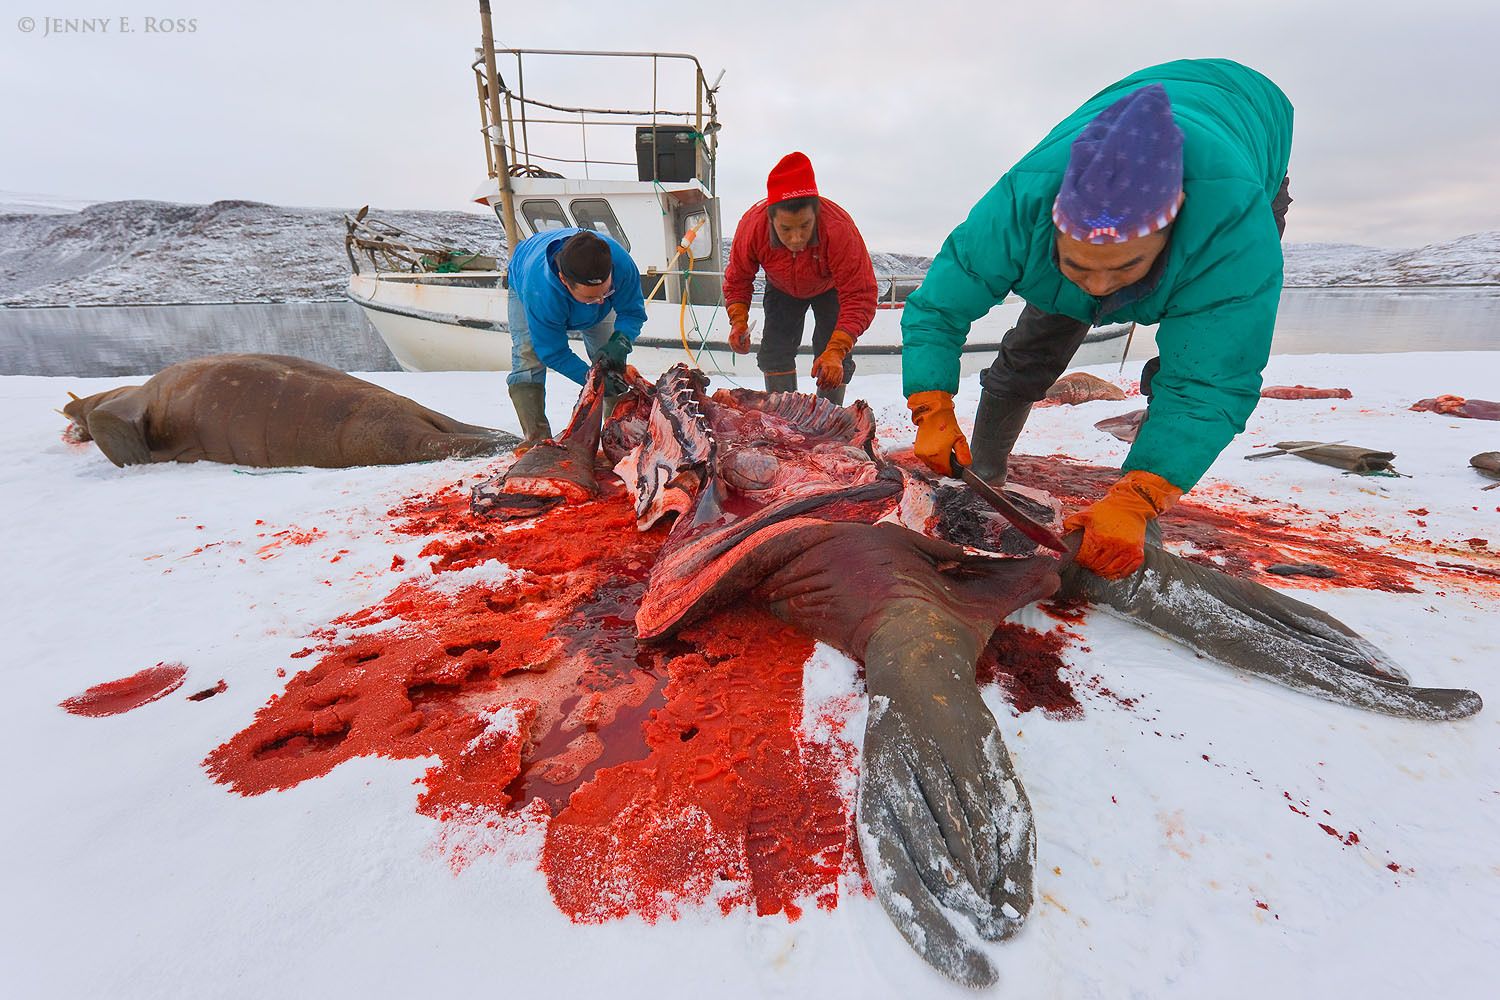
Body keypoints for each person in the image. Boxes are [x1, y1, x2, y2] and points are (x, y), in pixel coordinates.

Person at [902, 59, 1293, 579]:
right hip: (1102, 179)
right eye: (1079, 266)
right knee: (1038, 340)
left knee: (1191, 363)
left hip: (1251, 138)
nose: (1101, 290)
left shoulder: (1232, 235)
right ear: (1053, 222)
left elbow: (1212, 382)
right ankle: (988, 470)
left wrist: (1139, 498)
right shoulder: (1017, 208)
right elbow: (937, 309)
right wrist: (930, 405)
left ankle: (1141, 498)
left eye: (1125, 268)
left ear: (1175, 220)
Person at [723, 151, 878, 404]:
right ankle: (783, 420)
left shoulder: (839, 228)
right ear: (770, 219)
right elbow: (739, 278)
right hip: (781, 286)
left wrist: (836, 350)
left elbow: (860, 295)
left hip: (829, 287)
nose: (796, 239)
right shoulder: (752, 226)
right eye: (786, 229)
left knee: (831, 357)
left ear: (816, 214)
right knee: (775, 351)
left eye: (805, 226)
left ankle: (829, 418)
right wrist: (738, 320)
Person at [505, 227, 645, 449]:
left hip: (578, 285)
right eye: (591, 297)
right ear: (564, 280)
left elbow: (632, 312)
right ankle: (536, 439)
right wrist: (593, 381)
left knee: (610, 359)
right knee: (527, 357)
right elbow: (553, 351)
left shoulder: (621, 264)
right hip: (525, 277)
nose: (601, 301)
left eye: (606, 292)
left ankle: (614, 434)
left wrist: (621, 341)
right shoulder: (541, 293)